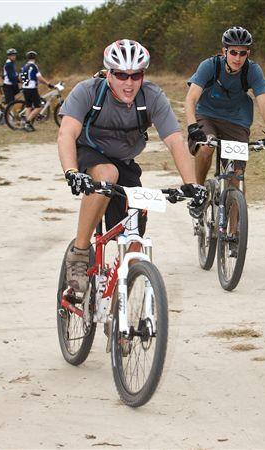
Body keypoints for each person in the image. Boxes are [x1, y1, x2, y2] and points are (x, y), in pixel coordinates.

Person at [58, 39, 206, 298]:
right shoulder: (88, 92)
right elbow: (66, 134)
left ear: (143, 75)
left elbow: (174, 140)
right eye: (121, 75)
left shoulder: (151, 96)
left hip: (125, 163)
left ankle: (120, 311)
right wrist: (72, 173)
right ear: (108, 74)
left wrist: (192, 184)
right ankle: (80, 253)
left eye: (135, 75)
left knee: (133, 238)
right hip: (90, 154)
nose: (129, 82)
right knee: (107, 175)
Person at [185, 26, 265, 191]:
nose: (237, 58)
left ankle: (236, 215)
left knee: (237, 177)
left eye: (242, 53)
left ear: (248, 54)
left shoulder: (252, 70)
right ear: (224, 51)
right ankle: (198, 192)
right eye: (233, 52)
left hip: (237, 120)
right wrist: (192, 125)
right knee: (206, 147)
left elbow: (264, 102)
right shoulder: (210, 66)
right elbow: (191, 98)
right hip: (207, 115)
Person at [20, 50, 55, 132]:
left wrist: (25, 83)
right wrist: (48, 84)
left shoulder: (24, 67)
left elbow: (20, 78)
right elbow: (39, 78)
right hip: (32, 88)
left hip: (25, 88)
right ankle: (27, 123)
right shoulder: (34, 66)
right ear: (35, 58)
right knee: (38, 108)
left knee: (28, 107)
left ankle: (28, 125)